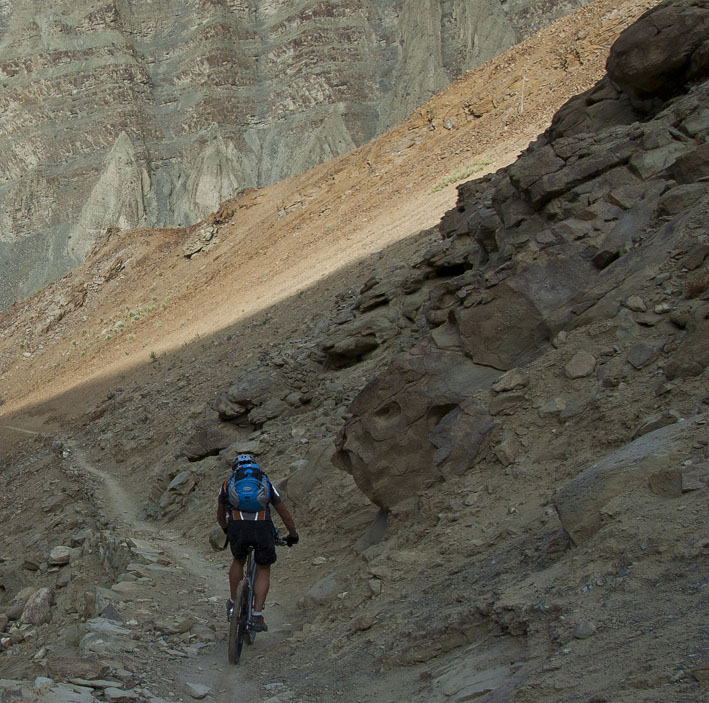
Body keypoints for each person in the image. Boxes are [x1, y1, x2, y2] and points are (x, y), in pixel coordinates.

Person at [217, 453, 298, 632]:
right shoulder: (264, 482)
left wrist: (226, 529)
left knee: (238, 560)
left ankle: (232, 603)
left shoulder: (227, 484)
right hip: (262, 526)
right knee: (263, 567)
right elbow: (284, 512)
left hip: (237, 525)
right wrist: (293, 534)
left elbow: (220, 515)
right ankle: (256, 616)